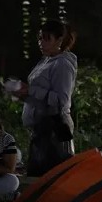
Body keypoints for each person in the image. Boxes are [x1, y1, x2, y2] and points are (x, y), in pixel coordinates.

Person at [13, 19, 77, 177]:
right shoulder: (46, 61)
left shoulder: (62, 64)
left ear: (59, 40)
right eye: (40, 38)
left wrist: (31, 90)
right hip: (41, 129)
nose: (41, 42)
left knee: (51, 178)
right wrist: (24, 95)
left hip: (54, 129)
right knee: (38, 176)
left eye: (47, 38)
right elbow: (40, 97)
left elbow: (61, 100)